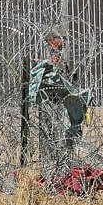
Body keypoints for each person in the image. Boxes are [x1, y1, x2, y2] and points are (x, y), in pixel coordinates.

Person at [28, 31, 89, 161]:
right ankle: (56, 157)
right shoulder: (51, 56)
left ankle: (65, 156)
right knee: (54, 135)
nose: (63, 42)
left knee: (65, 133)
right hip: (52, 102)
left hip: (62, 102)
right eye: (60, 39)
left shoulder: (59, 55)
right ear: (52, 41)